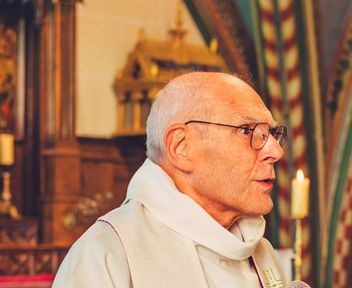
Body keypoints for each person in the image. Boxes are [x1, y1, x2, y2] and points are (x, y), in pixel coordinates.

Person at [53, 72, 288, 288]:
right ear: (181, 147)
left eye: (271, 134)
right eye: (247, 130)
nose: (275, 151)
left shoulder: (261, 253)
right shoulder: (106, 255)